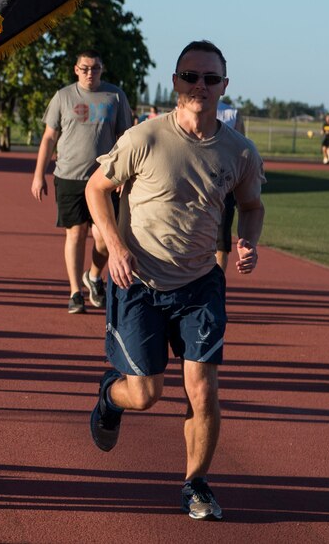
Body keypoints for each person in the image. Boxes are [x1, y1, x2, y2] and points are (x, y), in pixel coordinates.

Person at [84, 40, 265, 520]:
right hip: (138, 281)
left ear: (225, 86)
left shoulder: (240, 151)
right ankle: (110, 396)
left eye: (210, 78)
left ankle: (196, 484)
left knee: (203, 389)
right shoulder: (144, 138)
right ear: (175, 82)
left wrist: (248, 241)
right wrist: (115, 247)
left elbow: (251, 207)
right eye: (190, 77)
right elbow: (95, 189)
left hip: (201, 284)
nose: (199, 86)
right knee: (144, 393)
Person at [31, 50, 133, 313]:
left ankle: (94, 275)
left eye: (95, 69)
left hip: (105, 179)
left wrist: (125, 173)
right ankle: (75, 291)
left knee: (103, 237)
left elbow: (125, 137)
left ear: (102, 69)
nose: (90, 73)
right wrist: (38, 174)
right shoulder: (63, 97)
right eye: (85, 68)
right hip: (69, 176)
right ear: (76, 69)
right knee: (75, 233)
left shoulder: (115, 96)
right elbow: (49, 137)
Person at [215, 100, 245, 271]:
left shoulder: (232, 115)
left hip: (224, 184)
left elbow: (243, 152)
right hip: (192, 186)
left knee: (221, 240)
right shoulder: (182, 110)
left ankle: (216, 286)